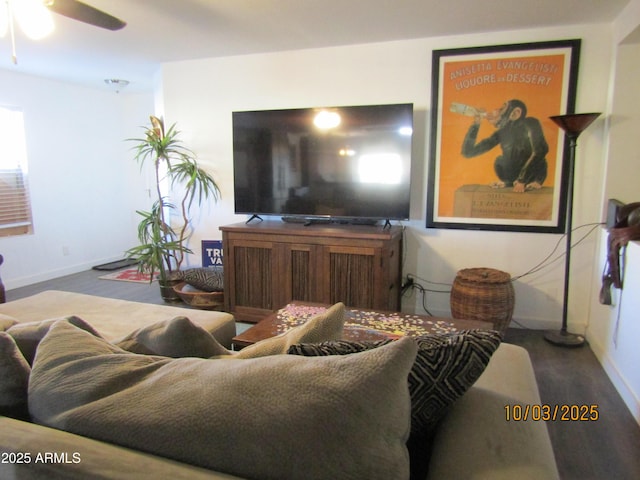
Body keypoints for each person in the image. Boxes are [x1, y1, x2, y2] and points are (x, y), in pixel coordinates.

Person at [461, 99, 548, 193]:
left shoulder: (530, 123)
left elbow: (541, 151)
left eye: (502, 108)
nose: (496, 110)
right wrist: (476, 124)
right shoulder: (502, 132)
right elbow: (468, 152)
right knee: (500, 161)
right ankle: (509, 183)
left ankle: (531, 182)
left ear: (515, 113)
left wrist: (522, 180)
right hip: (514, 180)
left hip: (533, 175)